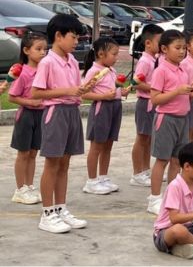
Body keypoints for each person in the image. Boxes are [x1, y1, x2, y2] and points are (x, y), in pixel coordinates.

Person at [32, 14, 92, 233]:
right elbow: (36, 92)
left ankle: (60, 208)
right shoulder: (47, 62)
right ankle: (47, 213)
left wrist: (81, 90)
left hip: (71, 111)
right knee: (52, 163)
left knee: (65, 163)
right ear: (58, 36)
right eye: (73, 37)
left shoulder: (73, 61)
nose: (77, 42)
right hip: (55, 112)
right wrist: (68, 91)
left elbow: (75, 89)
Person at [147, 30, 193, 215]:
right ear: (164, 49)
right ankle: (154, 198)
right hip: (167, 119)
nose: (181, 52)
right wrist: (177, 91)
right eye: (177, 48)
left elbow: (185, 97)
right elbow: (155, 99)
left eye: (183, 48)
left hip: (182, 119)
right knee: (162, 160)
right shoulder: (161, 70)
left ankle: (171, 197)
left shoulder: (182, 69)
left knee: (177, 160)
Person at [82, 37, 130, 194]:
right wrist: (103, 97)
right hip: (101, 109)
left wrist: (120, 92)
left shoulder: (111, 70)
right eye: (114, 54)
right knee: (97, 146)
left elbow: (111, 90)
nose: (116, 58)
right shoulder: (94, 71)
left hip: (115, 107)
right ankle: (91, 181)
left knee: (108, 145)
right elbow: (84, 94)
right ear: (101, 54)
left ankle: (103, 177)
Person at [9, 32, 46, 204]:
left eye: (45, 49)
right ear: (26, 50)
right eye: (38, 49)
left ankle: (30, 186)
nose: (42, 52)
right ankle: (20, 189)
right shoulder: (22, 72)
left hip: (41, 115)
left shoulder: (44, 71)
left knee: (33, 153)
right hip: (26, 115)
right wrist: (31, 102)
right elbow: (12, 97)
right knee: (23, 153)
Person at [130, 24, 163, 187]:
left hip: (153, 103)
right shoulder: (145, 61)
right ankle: (137, 172)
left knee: (149, 138)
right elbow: (135, 83)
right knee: (142, 138)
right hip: (145, 103)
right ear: (148, 43)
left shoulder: (154, 60)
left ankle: (145, 169)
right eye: (159, 41)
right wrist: (156, 87)